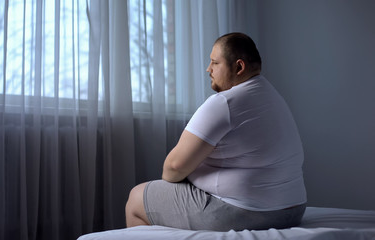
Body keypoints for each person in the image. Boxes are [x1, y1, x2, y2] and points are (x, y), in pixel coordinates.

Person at [125, 32, 307, 231]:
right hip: (293, 210)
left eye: (214, 63)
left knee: (136, 198)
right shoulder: (273, 97)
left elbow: (173, 169)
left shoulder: (226, 102)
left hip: (246, 212)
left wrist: (192, 174)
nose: (208, 69)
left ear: (239, 67)